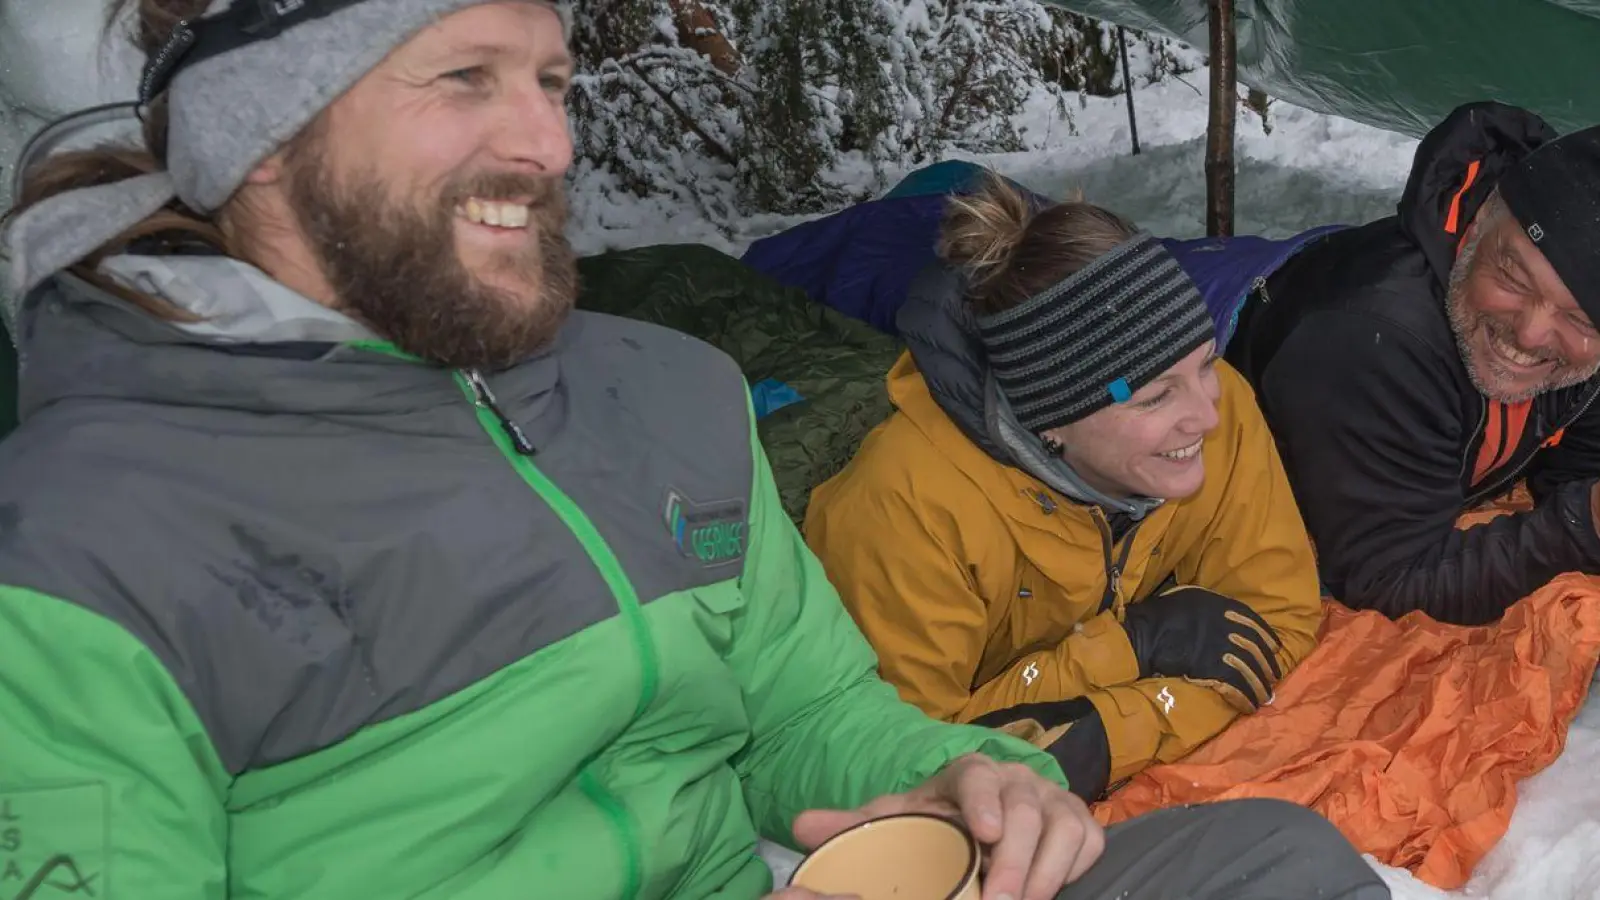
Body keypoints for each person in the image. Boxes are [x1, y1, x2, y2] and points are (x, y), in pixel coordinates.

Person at [0, 2, 1389, 899]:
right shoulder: (86, 543)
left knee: (1282, 866)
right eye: (466, 77)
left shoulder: (666, 395)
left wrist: (969, 777)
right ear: (265, 142)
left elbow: (806, 714)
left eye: (550, 77)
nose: (547, 139)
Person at [803, 173, 1325, 803]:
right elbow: (908, 763)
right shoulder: (904, 508)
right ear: (1052, 418)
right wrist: (1133, 649)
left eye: (1205, 363)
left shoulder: (1222, 412)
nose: (1208, 416)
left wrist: (1099, 733)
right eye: (1156, 395)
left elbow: (1278, 623)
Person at [1223, 101, 1600, 625]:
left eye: (1580, 319)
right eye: (1513, 278)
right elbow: (1390, 578)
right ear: (1476, 225)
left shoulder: (1583, 355)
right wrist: (1585, 525)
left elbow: (1577, 465)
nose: (1532, 333)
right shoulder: (1372, 341)